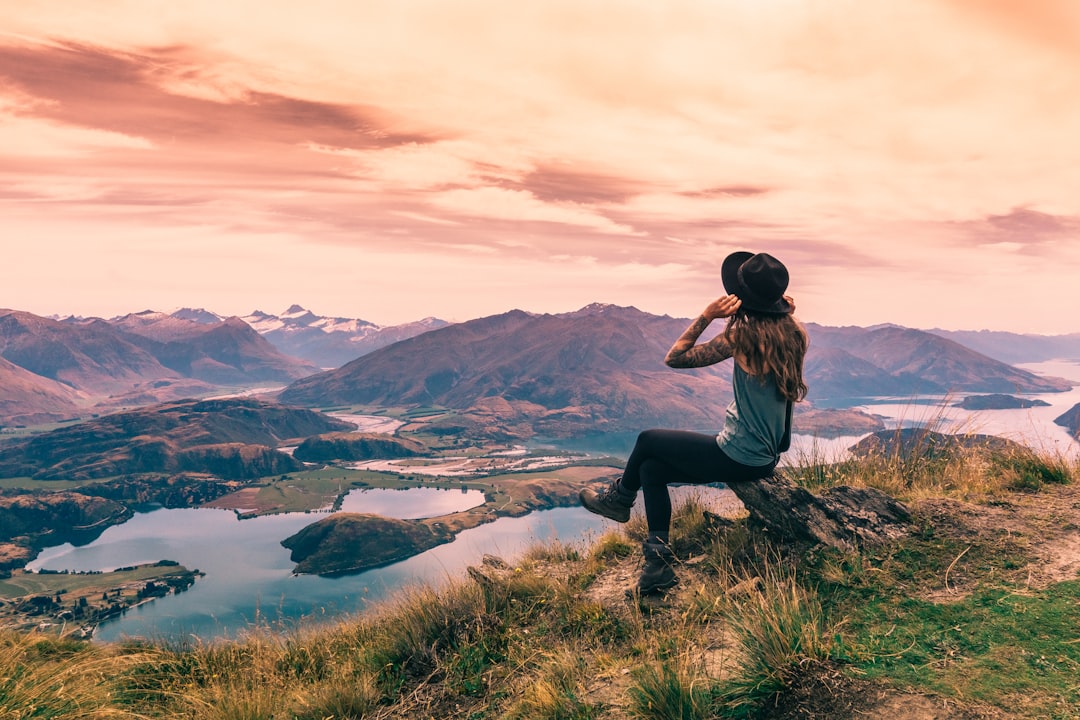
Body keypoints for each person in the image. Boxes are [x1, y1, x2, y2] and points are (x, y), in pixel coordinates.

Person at [579, 251, 808, 595]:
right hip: (765, 457)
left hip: (737, 455)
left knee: (647, 440)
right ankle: (657, 569)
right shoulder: (794, 336)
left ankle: (619, 500)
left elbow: (676, 358)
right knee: (651, 470)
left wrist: (708, 315)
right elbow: (778, 320)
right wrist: (780, 308)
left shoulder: (741, 339)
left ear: (740, 300)